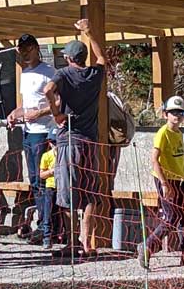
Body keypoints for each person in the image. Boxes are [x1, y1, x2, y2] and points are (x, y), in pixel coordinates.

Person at [44, 19, 109, 261]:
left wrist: (56, 113)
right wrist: (90, 33)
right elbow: (102, 59)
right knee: (90, 193)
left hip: (68, 141)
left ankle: (72, 243)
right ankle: (88, 242)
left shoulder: (63, 75)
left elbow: (47, 90)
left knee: (68, 192)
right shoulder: (94, 75)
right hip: (90, 142)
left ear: (70, 59)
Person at [7, 34, 57, 249]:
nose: (24, 54)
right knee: (35, 180)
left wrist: (40, 113)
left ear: (36, 48)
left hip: (43, 131)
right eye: (21, 51)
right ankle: (42, 224)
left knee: (44, 179)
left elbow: (58, 102)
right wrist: (14, 114)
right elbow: (24, 105)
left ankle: (49, 227)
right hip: (27, 131)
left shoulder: (50, 73)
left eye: (27, 50)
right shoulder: (25, 73)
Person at [140, 95, 184, 267]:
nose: (177, 116)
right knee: (171, 217)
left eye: (180, 112)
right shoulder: (163, 133)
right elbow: (154, 160)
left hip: (179, 181)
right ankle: (147, 247)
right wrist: (164, 184)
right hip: (166, 181)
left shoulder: (178, 133)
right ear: (165, 114)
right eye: (173, 112)